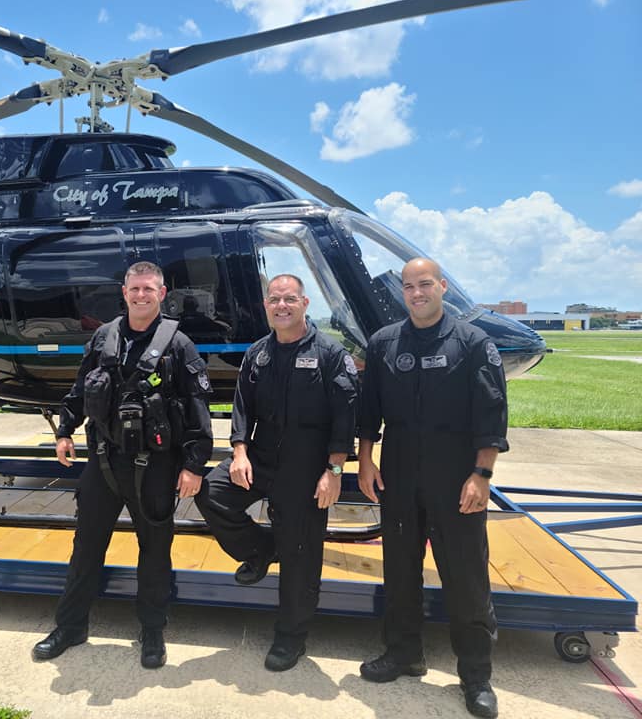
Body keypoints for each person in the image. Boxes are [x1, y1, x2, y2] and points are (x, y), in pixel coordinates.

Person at [33, 261, 214, 668]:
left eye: (149, 289)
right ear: (125, 291)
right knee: (86, 547)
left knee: (154, 551)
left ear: (162, 293)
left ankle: (152, 631)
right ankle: (71, 626)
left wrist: (195, 464)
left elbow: (198, 408)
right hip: (104, 460)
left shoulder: (178, 344)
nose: (141, 296)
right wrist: (64, 431)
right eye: (135, 289)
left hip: (156, 465)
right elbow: (81, 389)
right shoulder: (103, 337)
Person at [357, 257, 508, 719]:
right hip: (399, 475)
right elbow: (369, 410)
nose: (417, 293)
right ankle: (405, 654)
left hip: (456, 477)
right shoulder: (384, 343)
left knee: (465, 578)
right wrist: (364, 459)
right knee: (400, 570)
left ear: (442, 286)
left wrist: (481, 475)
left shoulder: (473, 343)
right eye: (408, 286)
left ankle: (476, 676)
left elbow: (491, 415)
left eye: (425, 284)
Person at [194, 274, 358, 671]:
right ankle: (261, 549)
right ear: (265, 306)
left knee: (301, 555)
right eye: (274, 300)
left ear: (304, 303)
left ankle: (291, 637)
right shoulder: (258, 353)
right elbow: (242, 407)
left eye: (289, 299)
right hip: (262, 456)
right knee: (210, 493)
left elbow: (345, 415)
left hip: (307, 463)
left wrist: (333, 470)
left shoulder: (330, 354)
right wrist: (239, 451)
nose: (281, 306)